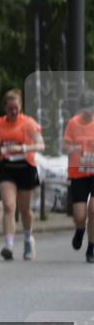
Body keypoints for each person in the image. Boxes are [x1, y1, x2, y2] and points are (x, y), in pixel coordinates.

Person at [0, 89, 45, 261]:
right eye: (10, 109)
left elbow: (41, 145)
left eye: (16, 108)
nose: (13, 112)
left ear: (20, 107)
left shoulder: (28, 123)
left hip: (26, 167)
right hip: (7, 167)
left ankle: (28, 239)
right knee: (8, 206)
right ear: (4, 108)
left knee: (24, 209)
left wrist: (21, 148)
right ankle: (8, 245)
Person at [64, 90, 94, 264]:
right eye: (86, 108)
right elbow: (65, 143)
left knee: (93, 211)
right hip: (78, 172)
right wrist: (71, 148)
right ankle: (80, 230)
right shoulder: (73, 123)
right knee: (80, 215)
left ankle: (91, 246)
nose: (89, 112)